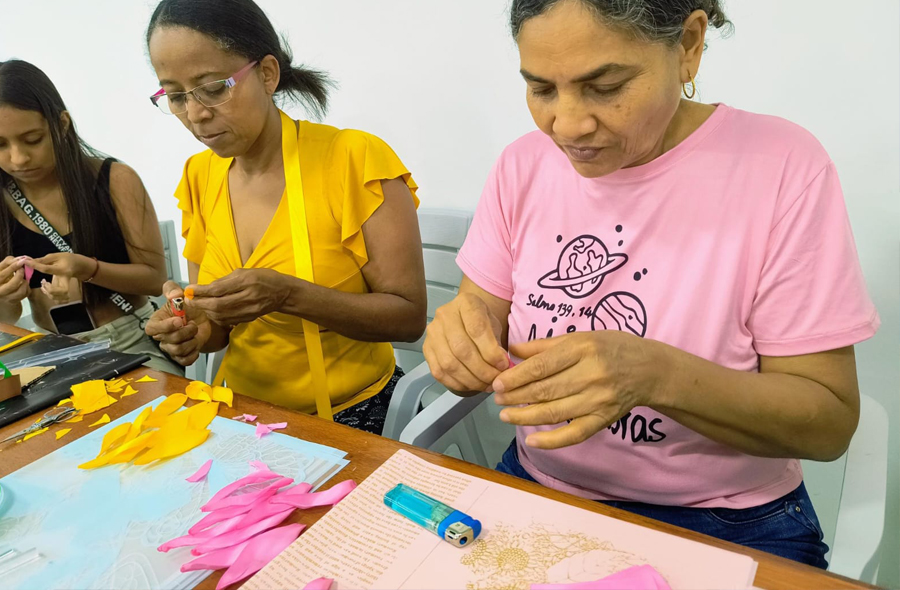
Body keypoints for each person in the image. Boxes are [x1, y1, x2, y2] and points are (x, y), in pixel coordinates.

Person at [423, 0, 879, 568]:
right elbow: (480, 310)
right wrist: (460, 340)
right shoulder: (524, 164)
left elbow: (828, 423)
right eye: (541, 89)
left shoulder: (781, 167)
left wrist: (655, 376)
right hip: (539, 487)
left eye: (605, 86)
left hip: (728, 520)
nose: (567, 124)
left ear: (688, 44)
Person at [143, 0, 426, 434]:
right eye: (177, 96)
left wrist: (290, 296)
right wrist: (195, 327)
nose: (196, 114)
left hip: (352, 412)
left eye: (214, 87)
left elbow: (408, 318)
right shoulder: (200, 176)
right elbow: (216, 324)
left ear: (267, 74)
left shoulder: (352, 159)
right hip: (242, 413)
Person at [0, 60, 181, 375]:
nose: (18, 158)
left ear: (62, 124)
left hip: (130, 342)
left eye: (32, 139)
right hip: (50, 353)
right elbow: (9, 317)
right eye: (0, 145)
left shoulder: (114, 180)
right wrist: (6, 296)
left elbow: (154, 279)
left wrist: (89, 269)